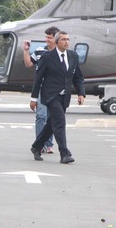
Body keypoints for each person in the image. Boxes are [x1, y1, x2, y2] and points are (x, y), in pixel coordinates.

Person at [29, 30, 85, 164]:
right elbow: (38, 78)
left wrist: (81, 93)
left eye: (68, 39)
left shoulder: (73, 56)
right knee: (60, 122)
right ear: (56, 42)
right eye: (63, 39)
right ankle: (64, 153)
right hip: (50, 95)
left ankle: (36, 146)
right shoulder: (47, 57)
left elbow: (78, 76)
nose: (66, 42)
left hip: (64, 96)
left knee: (51, 124)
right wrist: (34, 98)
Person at [23, 26, 60, 154]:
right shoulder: (40, 51)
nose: (47, 40)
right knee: (41, 116)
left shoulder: (60, 53)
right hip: (41, 88)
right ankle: (40, 144)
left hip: (55, 89)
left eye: (50, 37)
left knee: (52, 117)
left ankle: (49, 144)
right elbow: (28, 64)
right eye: (46, 37)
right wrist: (26, 51)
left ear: (56, 38)